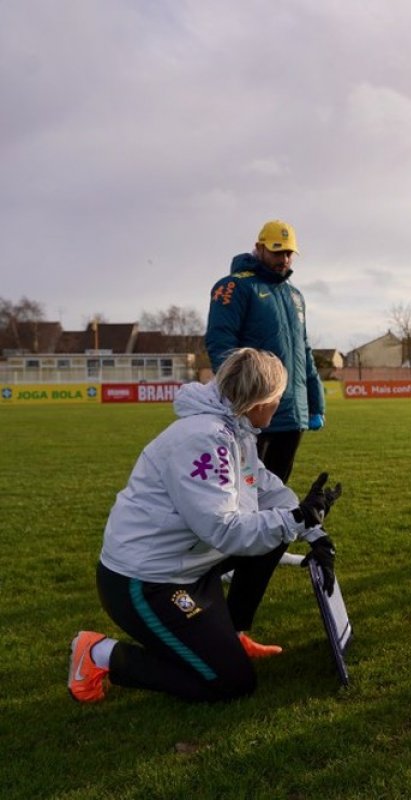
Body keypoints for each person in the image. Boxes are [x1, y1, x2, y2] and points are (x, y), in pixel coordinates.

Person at [68, 348, 342, 703]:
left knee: (272, 534)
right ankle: (97, 652)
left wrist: (315, 532)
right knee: (230, 682)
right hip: (145, 580)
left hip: (188, 567)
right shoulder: (204, 438)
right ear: (259, 401)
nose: (279, 405)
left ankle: (232, 635)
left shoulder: (234, 428)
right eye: (277, 398)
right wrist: (296, 520)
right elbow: (223, 530)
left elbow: (266, 490)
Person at [206, 220, 325, 577]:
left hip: (291, 410)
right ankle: (227, 560)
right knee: (240, 487)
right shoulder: (233, 287)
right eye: (276, 251)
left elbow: (303, 351)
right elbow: (220, 342)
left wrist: (315, 402)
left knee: (275, 484)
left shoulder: (294, 295)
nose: (284, 258)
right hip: (253, 408)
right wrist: (241, 394)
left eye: (289, 252)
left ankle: (264, 550)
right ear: (258, 248)